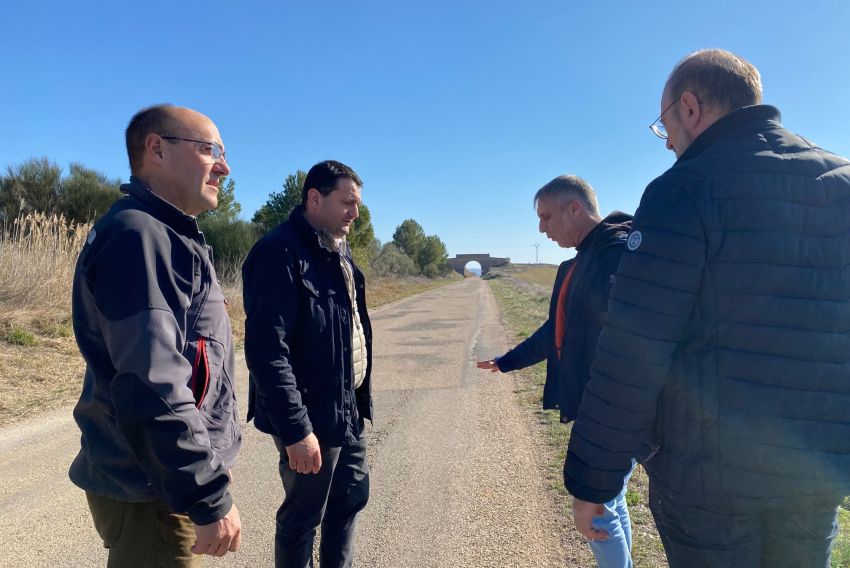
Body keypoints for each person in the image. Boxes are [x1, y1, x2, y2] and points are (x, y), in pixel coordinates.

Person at [565, 49, 850, 567]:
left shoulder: (683, 190)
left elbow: (634, 349)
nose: (668, 140)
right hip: (815, 470)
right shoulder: (842, 183)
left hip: (708, 481)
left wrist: (593, 479)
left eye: (664, 125)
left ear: (690, 107)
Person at [69, 104, 242, 567]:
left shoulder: (169, 235)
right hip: (153, 489)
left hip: (162, 480)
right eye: (210, 150)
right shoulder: (139, 236)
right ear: (157, 149)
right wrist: (205, 492)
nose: (224, 166)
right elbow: (153, 381)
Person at [477, 175, 634, 567]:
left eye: (546, 217)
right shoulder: (577, 264)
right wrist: (508, 360)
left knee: (597, 510)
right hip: (597, 404)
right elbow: (557, 330)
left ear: (575, 208)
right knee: (610, 501)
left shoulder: (619, 254)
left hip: (613, 408)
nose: (541, 228)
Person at [242, 160, 372, 568]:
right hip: (309, 415)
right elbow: (267, 351)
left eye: (358, 204)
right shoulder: (277, 252)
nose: (355, 213)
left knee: (349, 500)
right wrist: (297, 429)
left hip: (345, 406)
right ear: (314, 198)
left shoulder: (337, 248)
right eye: (346, 203)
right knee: (303, 517)